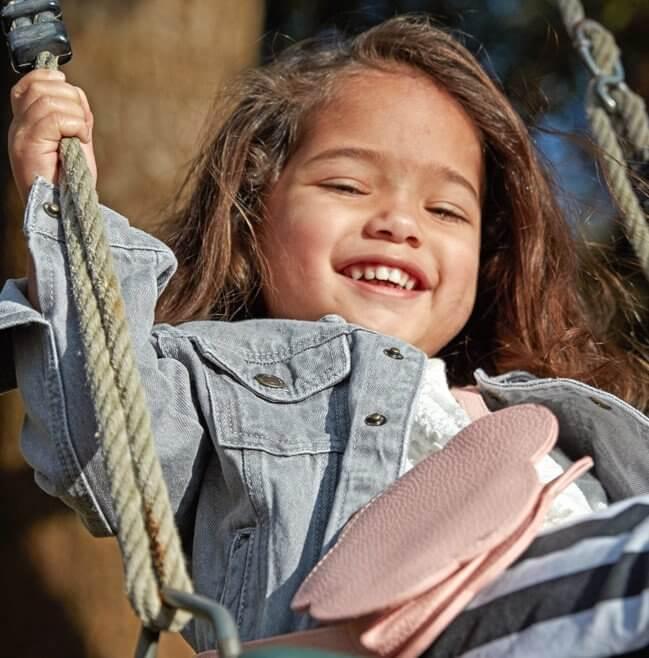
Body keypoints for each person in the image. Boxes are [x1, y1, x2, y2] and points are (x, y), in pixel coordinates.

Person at [2, 15, 649, 657]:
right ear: (253, 214)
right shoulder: (211, 381)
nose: (399, 222)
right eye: (346, 185)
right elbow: (101, 426)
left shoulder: (542, 412)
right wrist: (61, 202)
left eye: (445, 209)